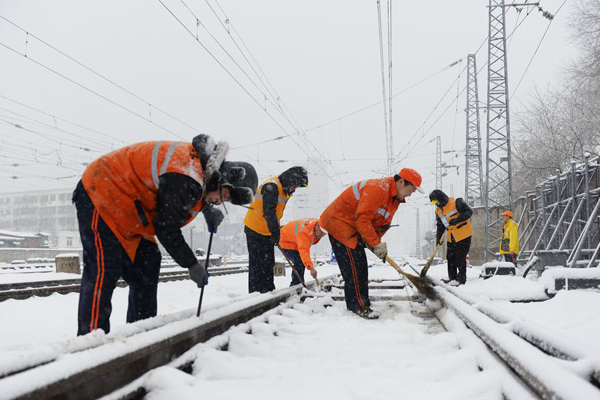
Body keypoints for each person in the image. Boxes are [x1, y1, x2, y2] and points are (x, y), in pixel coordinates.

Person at [73, 135, 258, 335]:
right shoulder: (187, 177)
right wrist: (192, 264)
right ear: (222, 179)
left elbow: (186, 191)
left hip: (131, 211)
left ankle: (140, 333)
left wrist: (205, 209)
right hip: (102, 192)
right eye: (225, 196)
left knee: (148, 262)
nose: (220, 201)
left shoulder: (198, 170)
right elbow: (166, 228)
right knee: (104, 268)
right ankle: (89, 341)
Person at [319, 168, 423, 319]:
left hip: (353, 227)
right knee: (354, 269)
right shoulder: (378, 189)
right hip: (340, 224)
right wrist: (374, 243)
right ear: (401, 182)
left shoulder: (394, 198)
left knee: (361, 267)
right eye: (411, 189)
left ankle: (362, 304)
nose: (410, 194)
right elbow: (363, 219)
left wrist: (374, 242)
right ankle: (358, 307)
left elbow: (381, 223)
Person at [243, 166, 309, 293]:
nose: (295, 189)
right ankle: (256, 294)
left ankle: (267, 291)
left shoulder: (283, 189)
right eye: (295, 185)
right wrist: (276, 233)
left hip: (266, 231)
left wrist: (274, 232)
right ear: (290, 180)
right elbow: (269, 213)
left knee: (268, 264)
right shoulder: (272, 187)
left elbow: (275, 214)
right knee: (257, 266)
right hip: (255, 230)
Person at [429, 189, 473, 286]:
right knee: (450, 257)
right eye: (434, 203)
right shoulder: (438, 211)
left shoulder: (456, 202)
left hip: (464, 234)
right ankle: (452, 278)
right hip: (451, 236)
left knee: (460, 257)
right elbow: (440, 226)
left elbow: (469, 212)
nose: (436, 204)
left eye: (436, 202)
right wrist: (438, 239)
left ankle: (461, 279)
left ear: (441, 198)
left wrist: (457, 220)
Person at [279, 218, 327, 286]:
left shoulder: (316, 225)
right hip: (285, 241)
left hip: (294, 240)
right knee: (299, 262)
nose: (321, 235)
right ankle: (296, 285)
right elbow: (304, 250)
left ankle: (299, 284)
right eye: (321, 232)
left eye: (324, 234)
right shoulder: (305, 232)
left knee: (300, 262)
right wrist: (311, 268)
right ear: (317, 227)